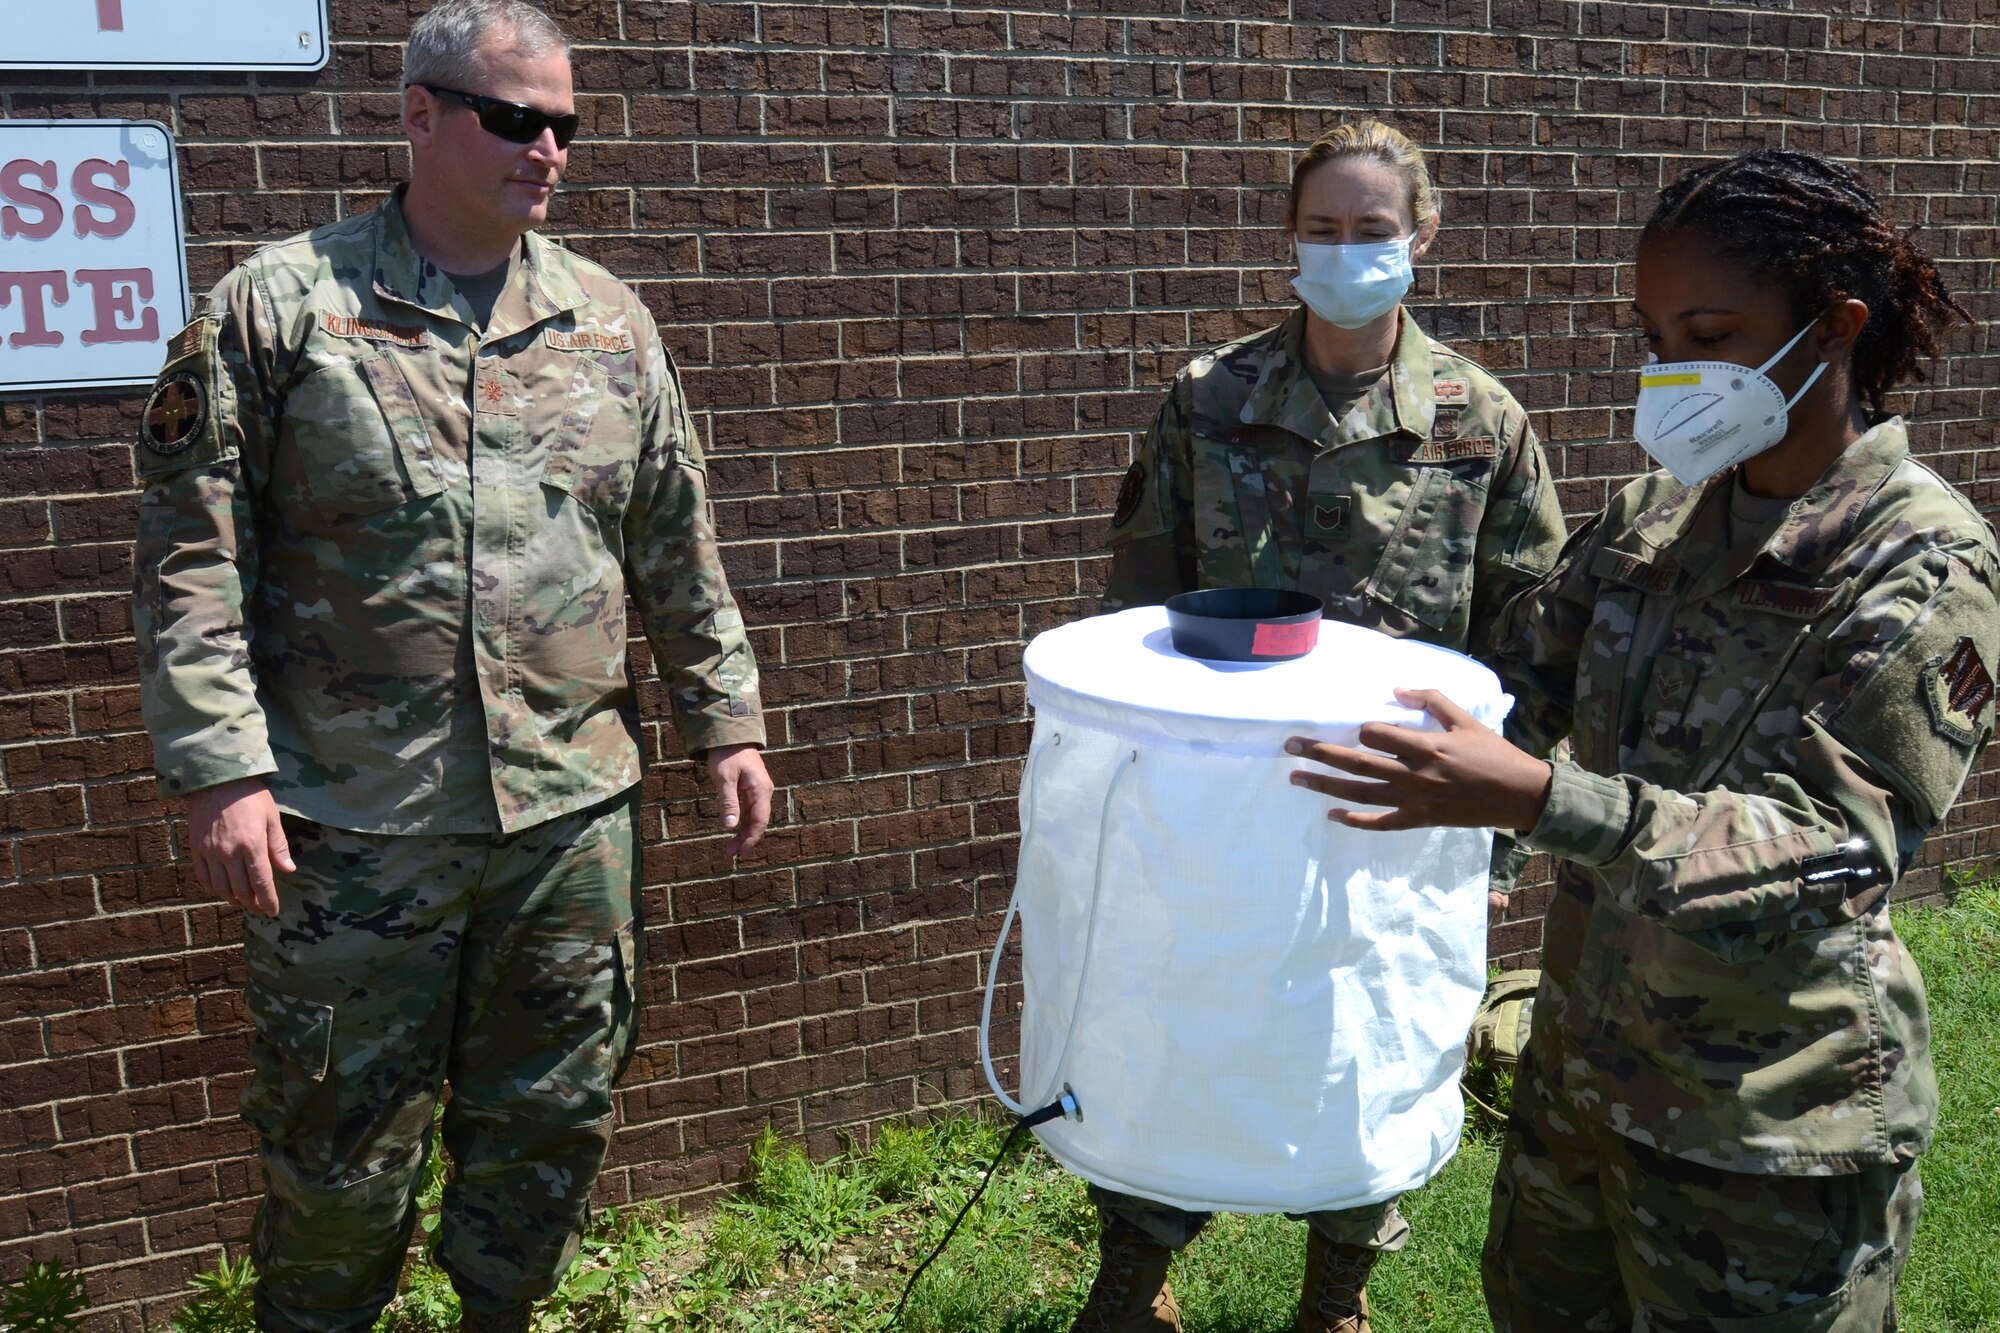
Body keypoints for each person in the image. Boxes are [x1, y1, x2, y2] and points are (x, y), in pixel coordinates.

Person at [130, 3, 772, 1329]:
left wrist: (727, 724)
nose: (548, 150)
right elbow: (191, 560)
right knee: (336, 1159)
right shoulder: (277, 313)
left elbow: (674, 537)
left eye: (567, 126)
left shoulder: (610, 324)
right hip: (354, 832)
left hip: (566, 817)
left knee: (546, 1132)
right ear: (420, 114)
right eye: (515, 118)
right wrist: (220, 767)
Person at [1288, 147, 1998, 1331]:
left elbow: (1834, 851)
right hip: (1580, 1077)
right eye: (1651, 334)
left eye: (1706, 332)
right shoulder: (1656, 513)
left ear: (1832, 327)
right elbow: (1518, 680)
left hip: (1766, 1127)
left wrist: (1537, 801)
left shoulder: (1921, 564)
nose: (1669, 372)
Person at [1087, 121, 1568, 1333]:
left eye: (1370, 230)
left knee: (1375, 1033)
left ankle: (1335, 1297)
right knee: (1173, 1017)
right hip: (1214, 801)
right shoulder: (1210, 399)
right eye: (1321, 230)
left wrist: (1502, 828)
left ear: (1421, 236)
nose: (1345, 251)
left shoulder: (1479, 420)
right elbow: (1133, 608)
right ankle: (1133, 1283)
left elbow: (1532, 642)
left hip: (1398, 801)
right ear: (1286, 241)